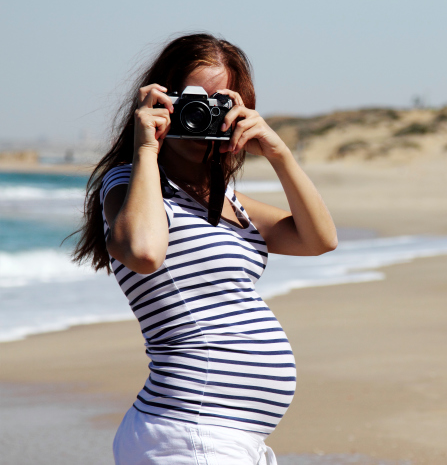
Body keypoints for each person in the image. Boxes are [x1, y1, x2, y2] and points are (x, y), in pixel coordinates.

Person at [72, 33, 337, 464]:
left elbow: (319, 239)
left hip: (222, 436)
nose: (202, 117)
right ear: (161, 100)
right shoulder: (129, 184)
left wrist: (278, 152)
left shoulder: (222, 198)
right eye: (191, 101)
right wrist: (145, 148)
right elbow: (142, 252)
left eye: (220, 104)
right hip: (190, 431)